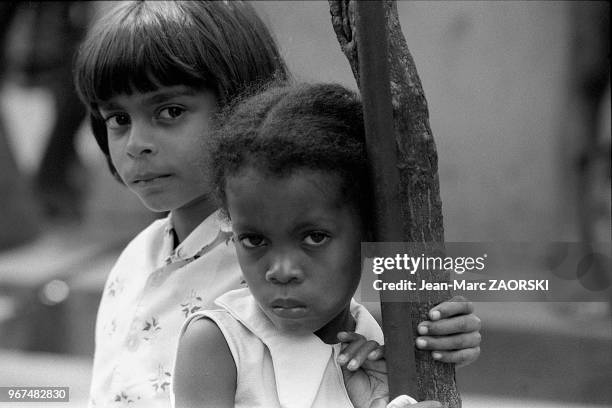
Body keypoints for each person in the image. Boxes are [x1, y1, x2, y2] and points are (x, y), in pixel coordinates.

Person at [73, 2, 481, 407]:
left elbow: (365, 360)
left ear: (239, 107)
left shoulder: (276, 281)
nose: (136, 144)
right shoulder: (134, 258)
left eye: (170, 111)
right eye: (118, 119)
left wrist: (433, 335)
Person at [174, 82, 445, 408]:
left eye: (314, 237)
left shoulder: (376, 345)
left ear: (370, 230)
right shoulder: (220, 343)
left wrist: (444, 342)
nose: (282, 271)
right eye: (254, 240)